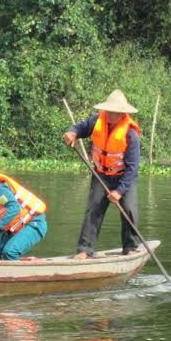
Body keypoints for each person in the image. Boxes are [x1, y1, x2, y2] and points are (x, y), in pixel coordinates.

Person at [62, 89, 142, 259]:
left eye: (116, 112)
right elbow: (80, 127)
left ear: (123, 113)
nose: (112, 115)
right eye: (110, 111)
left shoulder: (131, 134)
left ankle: (130, 247)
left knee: (129, 210)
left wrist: (119, 191)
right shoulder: (97, 121)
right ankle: (85, 250)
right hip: (101, 175)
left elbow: (133, 168)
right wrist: (72, 133)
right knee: (93, 210)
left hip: (123, 177)